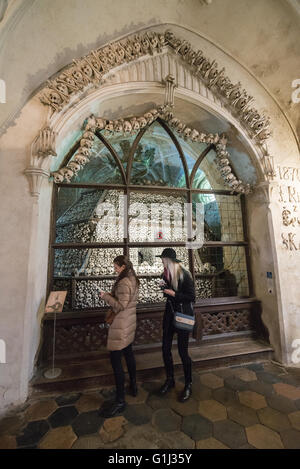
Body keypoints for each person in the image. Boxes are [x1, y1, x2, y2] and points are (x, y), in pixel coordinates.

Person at [98, 255, 139, 418]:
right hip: (129, 324)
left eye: (116, 266)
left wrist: (105, 296)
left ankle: (120, 401)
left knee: (116, 363)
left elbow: (121, 305)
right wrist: (112, 294)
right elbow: (127, 301)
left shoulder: (123, 282)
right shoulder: (133, 279)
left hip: (120, 327)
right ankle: (134, 387)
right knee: (129, 355)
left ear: (122, 266)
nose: (114, 268)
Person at [156, 248, 196, 402]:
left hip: (182, 316)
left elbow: (191, 297)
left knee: (182, 352)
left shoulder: (184, 274)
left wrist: (174, 294)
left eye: (163, 259)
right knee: (165, 349)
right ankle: (170, 379)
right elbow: (166, 293)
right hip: (169, 316)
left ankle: (188, 384)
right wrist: (163, 288)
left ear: (169, 260)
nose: (161, 261)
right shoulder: (165, 274)